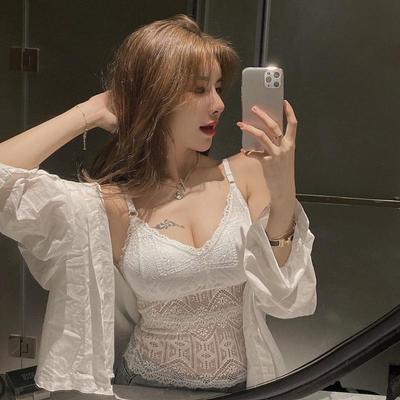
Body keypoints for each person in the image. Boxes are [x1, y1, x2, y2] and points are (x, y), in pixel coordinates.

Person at [0, 14, 316, 396]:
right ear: (156, 96)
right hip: (143, 389)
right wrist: (88, 112)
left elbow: (285, 297)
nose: (218, 104)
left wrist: (283, 188)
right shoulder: (115, 204)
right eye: (199, 89)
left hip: (242, 389)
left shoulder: (246, 173)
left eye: (218, 88)